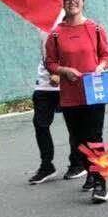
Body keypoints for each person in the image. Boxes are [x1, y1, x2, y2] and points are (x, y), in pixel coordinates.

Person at [44, 0, 108, 204]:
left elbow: (106, 56)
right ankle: (90, 172)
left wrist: (101, 66)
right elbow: (50, 63)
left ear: (83, 1)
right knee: (78, 140)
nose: (72, 1)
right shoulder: (56, 34)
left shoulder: (95, 28)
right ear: (62, 3)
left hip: (94, 91)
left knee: (95, 138)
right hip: (70, 96)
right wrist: (64, 71)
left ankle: (100, 183)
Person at [28, 39, 63, 184]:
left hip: (68, 84)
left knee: (75, 125)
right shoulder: (43, 29)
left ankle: (78, 163)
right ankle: (47, 165)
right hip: (44, 85)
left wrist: (59, 73)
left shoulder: (68, 26)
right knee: (40, 124)